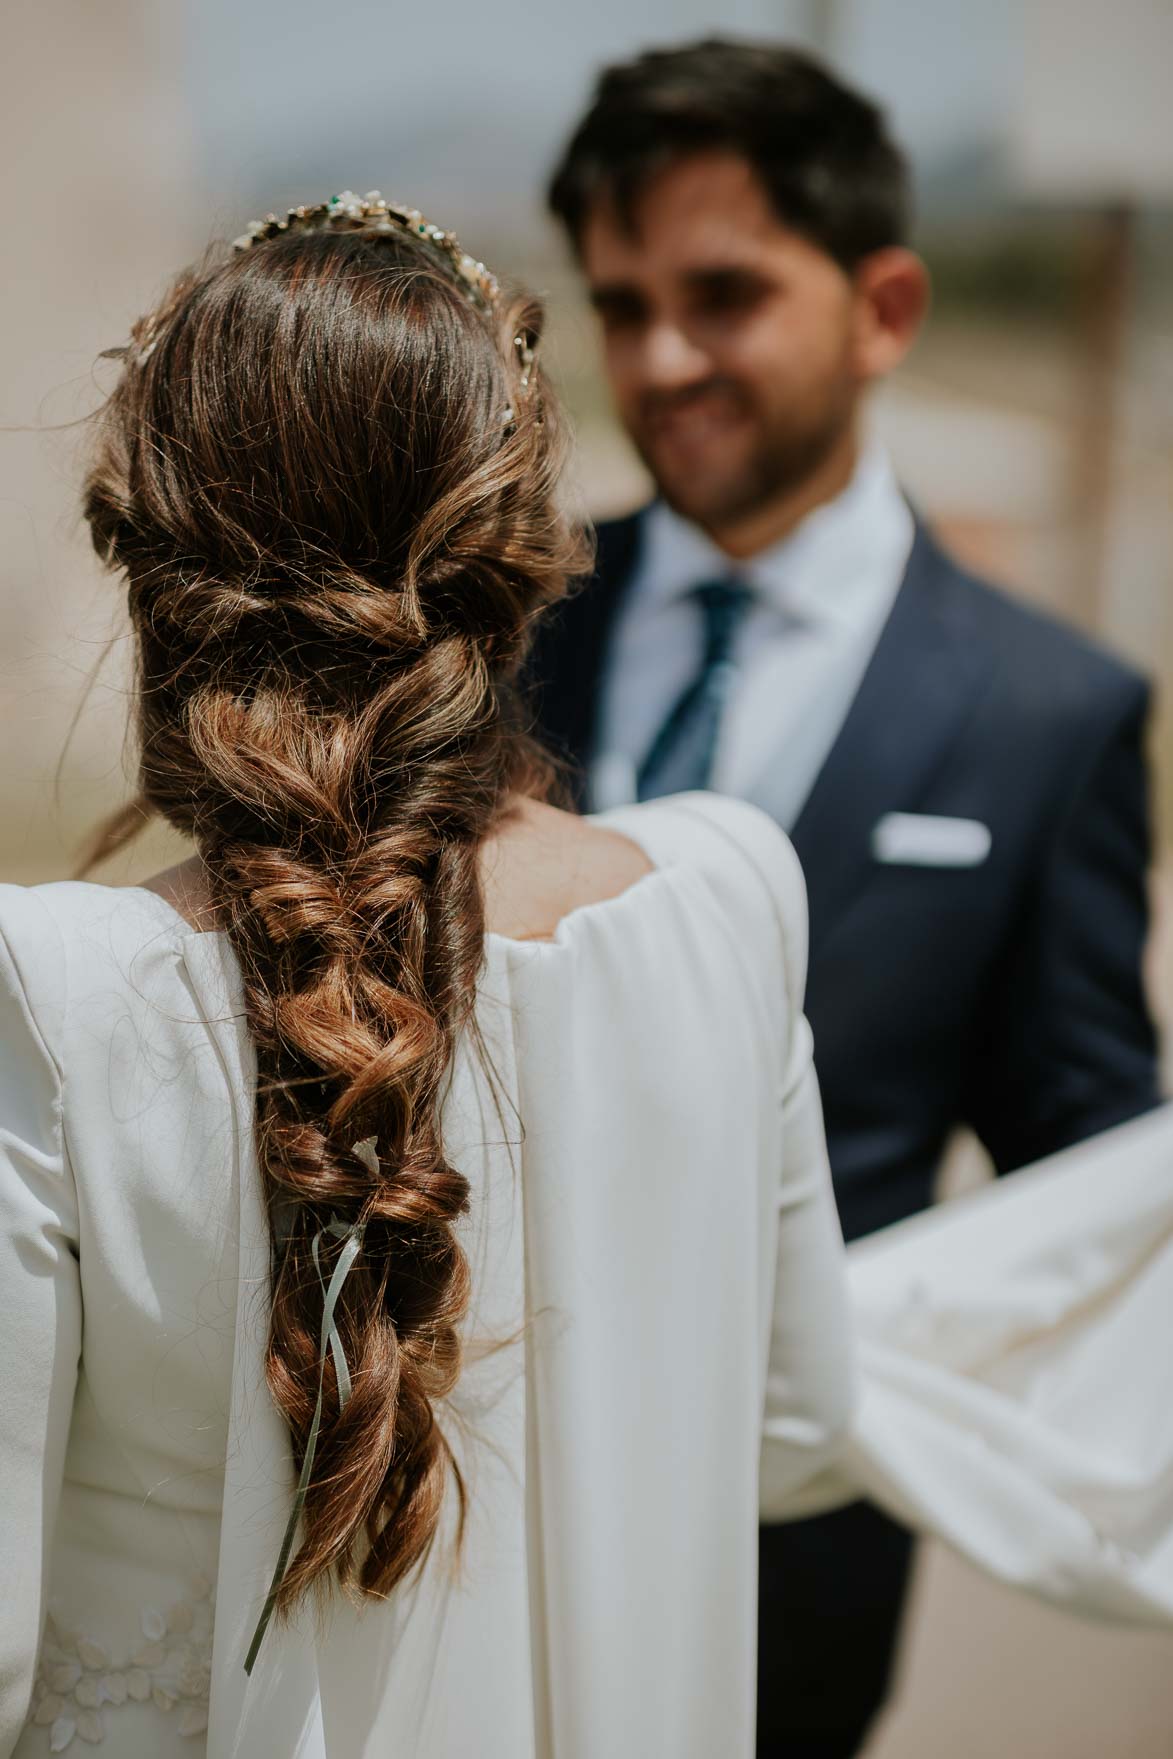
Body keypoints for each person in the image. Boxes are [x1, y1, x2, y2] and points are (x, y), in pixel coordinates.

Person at [4, 195, 1172, 1759]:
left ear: (157, 558)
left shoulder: (57, 997)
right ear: (517, 544)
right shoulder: (728, 896)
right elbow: (797, 1424)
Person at [534, 38, 1163, 1759]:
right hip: (458, 1493)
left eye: (722, 295)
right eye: (620, 304)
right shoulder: (495, 628)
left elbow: (1090, 1148)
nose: (662, 361)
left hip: (793, 1559)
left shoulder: (1050, 712)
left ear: (882, 306)